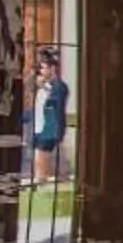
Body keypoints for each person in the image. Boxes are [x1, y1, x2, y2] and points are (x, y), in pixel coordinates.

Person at [29, 47, 70, 182]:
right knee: (39, 160)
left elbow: (55, 108)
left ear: (52, 68)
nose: (41, 70)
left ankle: (43, 180)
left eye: (44, 67)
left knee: (41, 161)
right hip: (40, 127)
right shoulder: (43, 86)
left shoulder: (58, 86)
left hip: (49, 128)